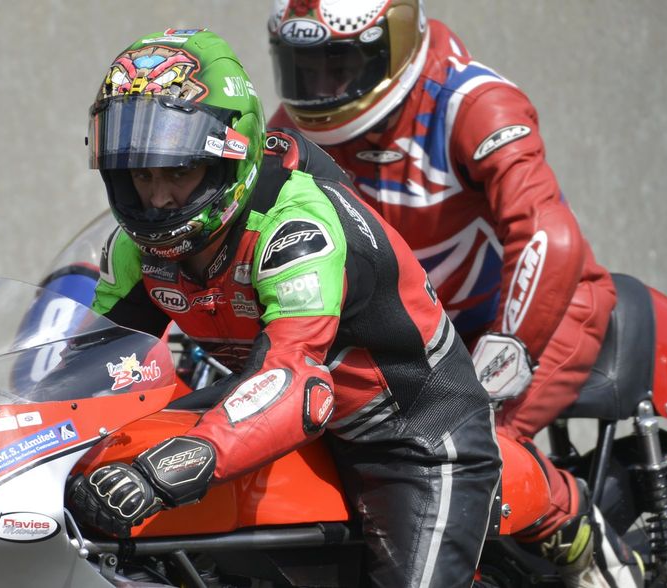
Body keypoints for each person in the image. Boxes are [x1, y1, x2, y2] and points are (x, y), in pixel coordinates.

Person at [66, 28, 501, 587]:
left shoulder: (295, 228)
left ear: (229, 159)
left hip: (411, 433)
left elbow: (297, 385)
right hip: (272, 404)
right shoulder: (137, 248)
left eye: (178, 171)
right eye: (141, 174)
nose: (158, 198)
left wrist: (161, 473)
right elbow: (90, 364)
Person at [265, 1, 643, 586]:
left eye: (339, 65)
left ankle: (586, 540)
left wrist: (508, 347)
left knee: (462, 456)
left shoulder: (472, 104)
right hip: (414, 339)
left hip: (534, 316)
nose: (321, 87)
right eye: (303, 67)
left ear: (393, 43)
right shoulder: (289, 131)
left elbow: (548, 235)